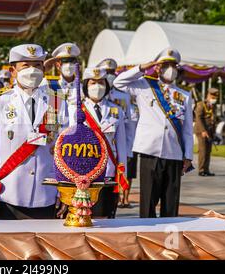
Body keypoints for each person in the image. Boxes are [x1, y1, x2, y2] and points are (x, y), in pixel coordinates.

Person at [0, 44, 68, 220]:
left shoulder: (57, 101)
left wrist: (65, 190)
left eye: (37, 65)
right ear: (13, 71)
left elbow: (63, 150)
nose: (32, 71)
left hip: (47, 195)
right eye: (26, 65)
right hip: (9, 194)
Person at [114, 48, 194, 218]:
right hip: (150, 151)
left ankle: (170, 235)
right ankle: (147, 234)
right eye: (166, 65)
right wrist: (143, 67)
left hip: (174, 153)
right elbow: (118, 82)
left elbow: (187, 129)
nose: (170, 69)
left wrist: (188, 155)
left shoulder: (184, 95)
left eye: (173, 65)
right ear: (158, 67)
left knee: (170, 202)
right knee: (148, 200)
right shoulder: (144, 85)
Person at [67, 66, 128, 218]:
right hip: (85, 173)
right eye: (93, 83)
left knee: (107, 214)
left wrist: (122, 171)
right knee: (84, 214)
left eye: (101, 82)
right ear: (86, 86)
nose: (97, 87)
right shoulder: (75, 109)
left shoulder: (116, 110)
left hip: (109, 170)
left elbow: (121, 143)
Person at [97, 58, 139, 209]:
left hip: (116, 147)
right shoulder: (92, 94)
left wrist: (127, 149)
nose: (110, 75)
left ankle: (122, 198)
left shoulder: (124, 96)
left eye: (112, 72)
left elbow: (128, 125)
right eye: (107, 72)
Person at [194, 88, 219, 177]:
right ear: (208, 95)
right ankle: (201, 170)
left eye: (215, 96)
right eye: (213, 96)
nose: (214, 98)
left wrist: (213, 130)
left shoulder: (213, 106)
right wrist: (203, 130)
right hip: (202, 131)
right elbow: (198, 118)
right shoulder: (201, 104)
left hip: (210, 131)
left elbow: (213, 119)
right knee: (203, 150)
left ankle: (206, 169)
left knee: (208, 150)